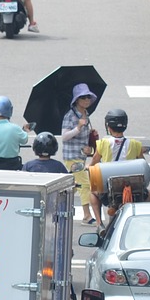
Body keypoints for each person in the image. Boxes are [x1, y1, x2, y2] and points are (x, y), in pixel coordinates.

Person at [87, 108, 150, 223]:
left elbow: (94, 161)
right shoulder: (135, 144)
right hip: (132, 187)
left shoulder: (103, 143)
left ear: (108, 126)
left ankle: (99, 223)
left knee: (93, 192)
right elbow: (143, 164)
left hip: (110, 187)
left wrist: (88, 167)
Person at [61, 85, 96, 223]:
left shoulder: (85, 113)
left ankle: (59, 203)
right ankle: (87, 216)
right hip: (72, 156)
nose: (87, 100)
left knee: (75, 185)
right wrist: (78, 127)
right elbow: (64, 136)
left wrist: (90, 146)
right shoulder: (70, 116)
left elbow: (83, 138)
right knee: (85, 184)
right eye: (83, 97)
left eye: (88, 97)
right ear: (76, 100)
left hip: (80, 155)